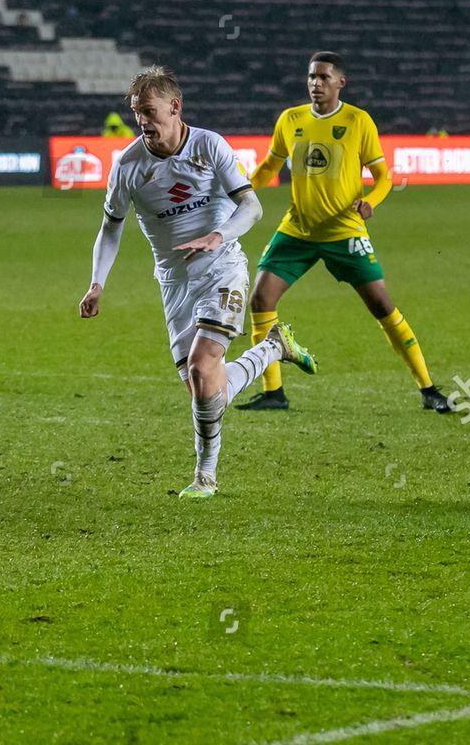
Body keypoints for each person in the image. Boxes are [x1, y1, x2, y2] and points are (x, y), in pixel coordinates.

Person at [79, 66, 320, 499]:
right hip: (173, 282)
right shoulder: (129, 165)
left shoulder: (209, 146)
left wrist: (218, 235)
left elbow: (251, 207)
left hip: (222, 266)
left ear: (174, 107)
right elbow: (111, 227)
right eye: (137, 113)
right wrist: (97, 283)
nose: (143, 122)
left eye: (149, 112)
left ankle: (205, 478)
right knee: (205, 389)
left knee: (201, 366)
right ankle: (273, 348)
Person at [239, 52, 454, 413]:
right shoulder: (290, 119)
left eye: (323, 77)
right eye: (311, 77)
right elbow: (267, 168)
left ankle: (428, 389)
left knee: (382, 305)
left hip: (344, 229)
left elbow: (384, 175)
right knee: (261, 300)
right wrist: (241, 193)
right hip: (298, 229)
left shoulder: (358, 121)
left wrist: (371, 201)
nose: (315, 83)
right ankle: (273, 392)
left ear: (341, 82)